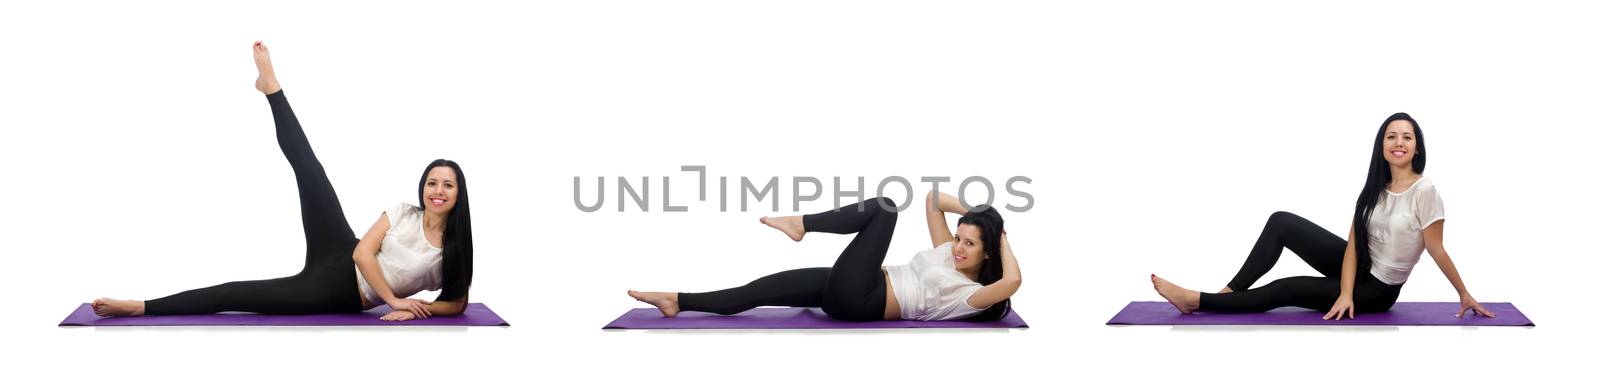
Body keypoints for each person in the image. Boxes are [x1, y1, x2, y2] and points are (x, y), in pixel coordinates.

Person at [91, 42, 474, 322]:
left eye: (447, 185)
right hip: (341, 248)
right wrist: (395, 300)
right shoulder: (403, 212)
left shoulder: (451, 252)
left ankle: (139, 306)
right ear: (423, 187)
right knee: (311, 170)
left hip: (336, 293)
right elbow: (361, 254)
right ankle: (272, 89)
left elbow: (456, 304)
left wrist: (416, 308)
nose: (437, 191)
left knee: (236, 293)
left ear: (459, 195)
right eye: (432, 183)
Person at [1151, 113, 1494, 320]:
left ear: (1417, 147)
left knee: (1285, 289)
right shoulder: (1376, 186)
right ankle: (1226, 294)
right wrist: (1345, 290)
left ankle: (1194, 300)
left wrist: (1463, 294)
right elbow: (1354, 246)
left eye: (1407, 137)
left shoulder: (1425, 190)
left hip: (1378, 291)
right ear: (1382, 145)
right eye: (1391, 136)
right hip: (1360, 267)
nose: (1398, 142)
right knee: (1281, 220)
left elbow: (1436, 249)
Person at [628, 191, 1020, 321]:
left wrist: (999, 233)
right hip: (853, 285)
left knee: (884, 209)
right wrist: (979, 219)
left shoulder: (969, 296)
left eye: (970, 244)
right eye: (959, 237)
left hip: (861, 298)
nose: (958, 246)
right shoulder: (947, 252)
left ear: (988, 253)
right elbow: (933, 200)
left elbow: (1012, 282)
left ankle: (802, 223)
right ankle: (677, 301)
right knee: (760, 289)